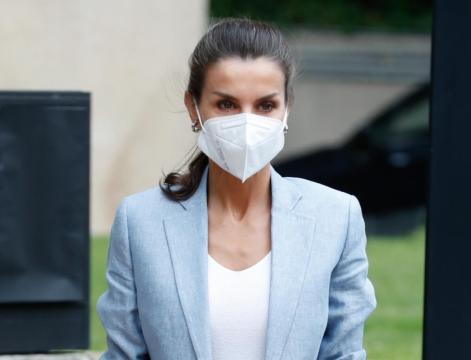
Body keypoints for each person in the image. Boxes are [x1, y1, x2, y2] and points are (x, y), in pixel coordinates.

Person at [96, 17, 377, 360]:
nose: (247, 122)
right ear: (193, 107)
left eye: (265, 105)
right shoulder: (139, 221)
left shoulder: (336, 217)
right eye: (227, 104)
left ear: (287, 108)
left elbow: (343, 353)